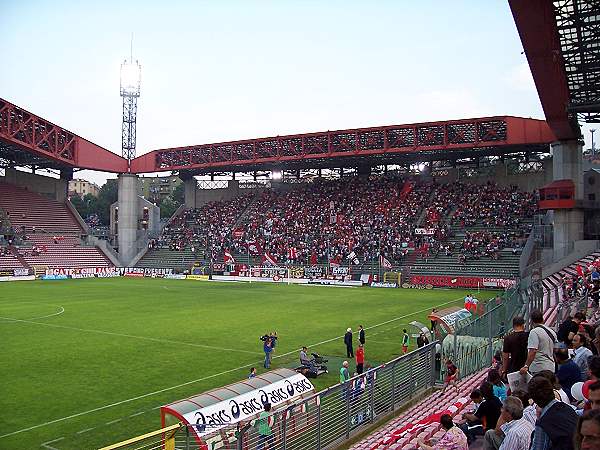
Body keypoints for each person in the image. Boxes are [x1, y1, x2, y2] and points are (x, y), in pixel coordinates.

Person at [528, 376, 578, 450]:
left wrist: (538, 420)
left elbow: (537, 448)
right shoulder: (568, 408)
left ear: (534, 399)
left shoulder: (543, 423)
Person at [520, 309, 557, 376]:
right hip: (550, 366)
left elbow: (533, 350)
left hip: (539, 367)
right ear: (543, 319)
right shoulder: (552, 332)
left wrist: (526, 366)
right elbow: (555, 349)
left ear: (532, 321)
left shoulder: (534, 332)